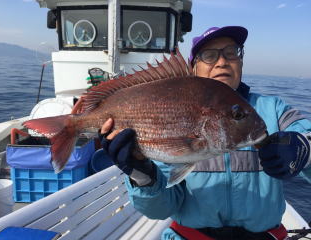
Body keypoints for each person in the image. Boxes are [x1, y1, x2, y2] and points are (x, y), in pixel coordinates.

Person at [98, 26, 311, 240]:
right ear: (194, 68)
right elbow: (160, 210)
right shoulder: (170, 110)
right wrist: (142, 176)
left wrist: (304, 147)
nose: (222, 62)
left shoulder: (273, 109)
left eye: (231, 52)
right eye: (209, 55)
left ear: (241, 61)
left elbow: (305, 133)